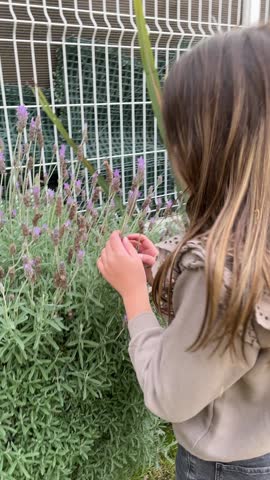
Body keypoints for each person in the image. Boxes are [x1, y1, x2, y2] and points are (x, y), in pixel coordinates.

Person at [97, 24, 270, 479]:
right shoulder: (257, 246)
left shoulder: (222, 276)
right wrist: (166, 271)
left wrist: (134, 296)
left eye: (175, 135)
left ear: (207, 148)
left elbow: (169, 392)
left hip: (223, 468)